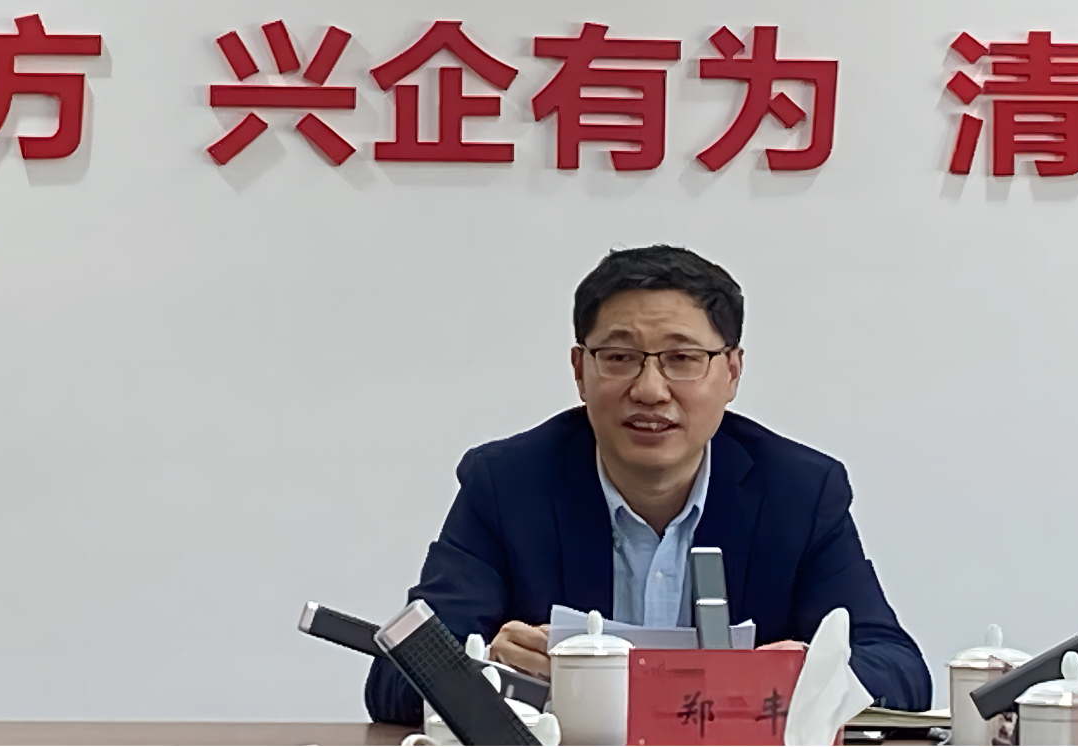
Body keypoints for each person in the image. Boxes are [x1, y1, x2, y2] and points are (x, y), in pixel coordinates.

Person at [365, 245, 931, 725]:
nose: (651, 390)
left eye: (683, 358)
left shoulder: (798, 492)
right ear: (580, 370)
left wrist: (806, 673)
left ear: (732, 372)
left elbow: (899, 670)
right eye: (620, 357)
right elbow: (394, 678)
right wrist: (488, 669)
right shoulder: (506, 485)